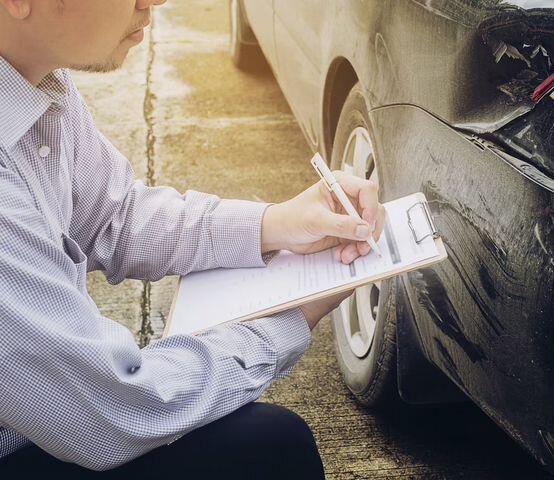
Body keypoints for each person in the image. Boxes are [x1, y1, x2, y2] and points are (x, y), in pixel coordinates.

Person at [0, 0, 385, 477]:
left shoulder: (36, 82)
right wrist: (287, 320)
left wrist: (276, 224)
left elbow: (113, 216)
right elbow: (109, 414)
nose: (155, 1)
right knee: (271, 448)